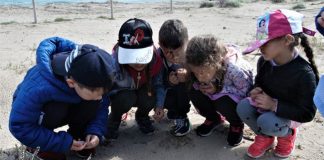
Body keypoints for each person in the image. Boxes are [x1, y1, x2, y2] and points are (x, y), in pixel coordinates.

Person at [9, 37, 115, 159]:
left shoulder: (95, 78)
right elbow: (20, 125)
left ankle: (80, 136)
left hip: (72, 102)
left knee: (94, 101)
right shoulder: (38, 87)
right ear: (71, 82)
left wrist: (95, 130)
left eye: (103, 91)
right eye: (96, 92)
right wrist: (61, 142)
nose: (101, 96)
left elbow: (101, 105)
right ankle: (41, 146)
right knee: (56, 107)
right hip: (39, 115)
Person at [237, 9, 318, 158]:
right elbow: (259, 81)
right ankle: (266, 138)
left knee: (267, 121)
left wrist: (274, 105)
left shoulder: (304, 73)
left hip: (288, 114)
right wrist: (256, 90)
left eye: (265, 42)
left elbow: (308, 113)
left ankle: (287, 135)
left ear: (287, 40)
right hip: (267, 109)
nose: (260, 47)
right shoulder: (264, 61)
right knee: (243, 107)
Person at [186, 34, 253, 146]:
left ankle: (236, 124)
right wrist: (200, 86)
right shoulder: (200, 66)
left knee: (223, 101)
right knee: (193, 90)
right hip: (215, 93)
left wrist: (219, 89)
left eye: (202, 72)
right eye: (195, 72)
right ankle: (213, 118)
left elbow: (246, 93)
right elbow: (197, 79)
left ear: (217, 63)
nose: (199, 77)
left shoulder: (235, 70)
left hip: (234, 100)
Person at [105, 18, 164, 141]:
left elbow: (159, 84)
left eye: (141, 56)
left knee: (150, 94)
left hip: (144, 91)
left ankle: (142, 116)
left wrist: (159, 105)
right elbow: (105, 91)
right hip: (123, 95)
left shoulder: (155, 61)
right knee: (126, 98)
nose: (137, 63)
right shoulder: (114, 63)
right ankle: (114, 119)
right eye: (131, 57)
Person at [153, 19, 191, 137]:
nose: (173, 56)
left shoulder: (192, 54)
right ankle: (172, 111)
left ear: (186, 43)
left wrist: (188, 75)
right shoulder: (158, 57)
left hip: (188, 93)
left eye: (177, 52)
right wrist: (159, 106)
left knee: (182, 83)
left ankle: (181, 115)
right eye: (167, 52)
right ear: (160, 45)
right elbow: (158, 84)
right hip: (167, 93)